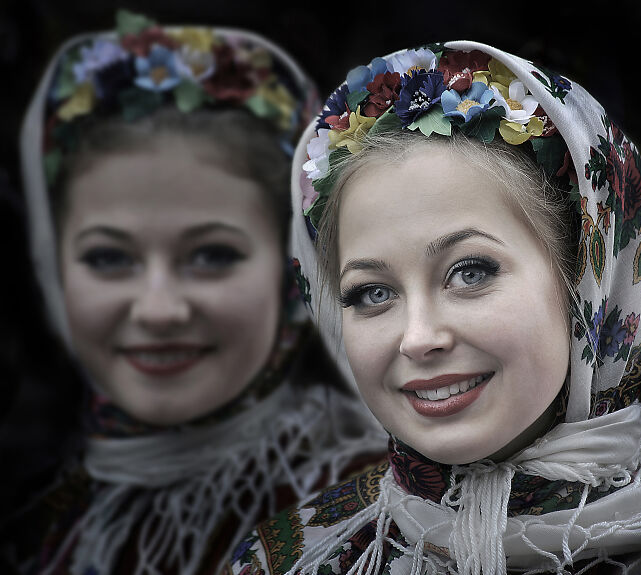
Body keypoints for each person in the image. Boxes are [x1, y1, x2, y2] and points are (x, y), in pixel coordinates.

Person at [225, 41, 641, 574]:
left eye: (470, 272)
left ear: (588, 279)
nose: (418, 337)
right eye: (372, 292)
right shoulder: (291, 559)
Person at [6, 10, 386, 575]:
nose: (158, 309)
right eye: (109, 258)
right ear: (53, 265)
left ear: (295, 271)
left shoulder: (377, 523)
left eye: (212, 256)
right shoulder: (43, 516)